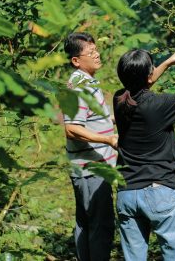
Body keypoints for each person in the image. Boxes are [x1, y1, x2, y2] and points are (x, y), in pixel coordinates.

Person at [113, 47, 175, 261]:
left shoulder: (119, 99)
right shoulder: (159, 105)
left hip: (127, 193)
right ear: (149, 75)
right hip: (158, 191)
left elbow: (139, 84)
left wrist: (167, 62)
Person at [62, 32, 118, 261]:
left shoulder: (85, 82)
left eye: (96, 50)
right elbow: (72, 128)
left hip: (89, 168)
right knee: (100, 227)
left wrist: (116, 120)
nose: (97, 55)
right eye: (91, 52)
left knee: (88, 224)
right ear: (76, 60)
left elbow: (91, 120)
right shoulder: (79, 86)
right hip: (91, 169)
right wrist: (109, 140)